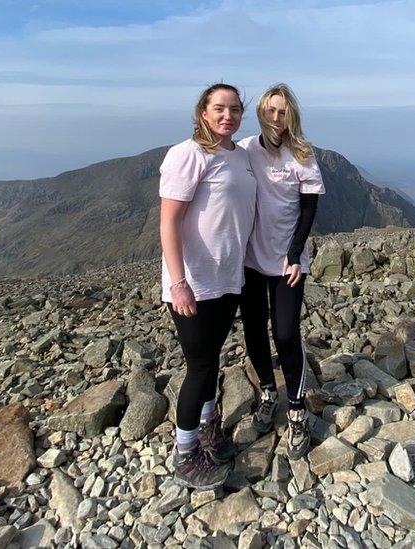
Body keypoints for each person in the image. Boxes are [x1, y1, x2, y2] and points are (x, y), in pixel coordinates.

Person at [159, 83, 257, 489]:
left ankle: (208, 431)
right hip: (195, 282)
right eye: (219, 108)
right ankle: (185, 454)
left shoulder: (241, 154)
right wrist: (178, 283)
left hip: (228, 278)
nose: (227, 116)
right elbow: (168, 221)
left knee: (213, 358)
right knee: (199, 367)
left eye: (234, 109)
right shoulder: (188, 154)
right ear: (202, 111)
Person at [237, 84, 325, 459]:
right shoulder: (244, 149)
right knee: (254, 331)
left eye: (283, 112)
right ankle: (269, 394)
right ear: (261, 113)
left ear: (292, 116)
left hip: (288, 261)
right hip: (250, 259)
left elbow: (308, 209)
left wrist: (294, 253)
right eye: (271, 111)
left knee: (286, 333)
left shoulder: (302, 154)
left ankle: (297, 408)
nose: (277, 118)